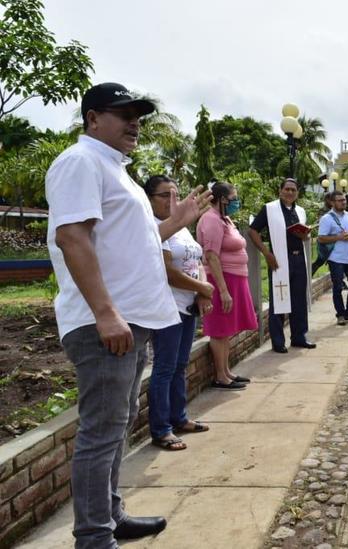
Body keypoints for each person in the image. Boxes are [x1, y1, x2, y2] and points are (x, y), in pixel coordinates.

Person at [46, 82, 210, 547]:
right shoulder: (80, 162)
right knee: (101, 432)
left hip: (131, 321)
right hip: (106, 323)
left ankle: (112, 515)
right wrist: (105, 313)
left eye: (138, 114)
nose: (134, 122)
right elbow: (72, 238)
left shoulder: (117, 171)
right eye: (123, 113)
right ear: (94, 118)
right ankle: (94, 537)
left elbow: (132, 241)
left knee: (117, 427)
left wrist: (175, 223)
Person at [144, 175, 213, 451]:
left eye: (175, 194)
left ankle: (178, 417)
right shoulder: (154, 227)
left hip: (187, 305)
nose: (172, 201)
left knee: (180, 364)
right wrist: (202, 287)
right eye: (165, 195)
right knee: (164, 367)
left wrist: (199, 292)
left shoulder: (181, 228)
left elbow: (197, 259)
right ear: (150, 199)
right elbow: (167, 271)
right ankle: (161, 429)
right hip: (166, 306)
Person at [197, 182, 257, 389]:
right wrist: (223, 291)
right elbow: (212, 256)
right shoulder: (211, 220)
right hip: (222, 280)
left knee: (227, 330)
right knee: (220, 328)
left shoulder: (224, 218)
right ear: (222, 199)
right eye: (234, 198)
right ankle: (220, 375)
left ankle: (227, 371)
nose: (236, 202)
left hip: (234, 278)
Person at [248, 178, 315, 353]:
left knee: (299, 300)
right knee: (279, 299)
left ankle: (299, 337)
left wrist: (305, 235)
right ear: (280, 190)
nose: (290, 192)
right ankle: (278, 342)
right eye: (287, 189)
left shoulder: (300, 211)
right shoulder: (269, 209)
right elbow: (253, 230)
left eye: (293, 190)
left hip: (299, 259)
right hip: (279, 260)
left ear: (297, 193)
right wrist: (266, 253)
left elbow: (304, 237)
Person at [318, 190, 348, 325]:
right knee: (337, 287)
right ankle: (340, 314)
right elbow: (321, 238)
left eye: (344, 200)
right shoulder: (327, 218)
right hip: (336, 258)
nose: (343, 202)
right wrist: (338, 237)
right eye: (340, 200)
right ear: (332, 202)